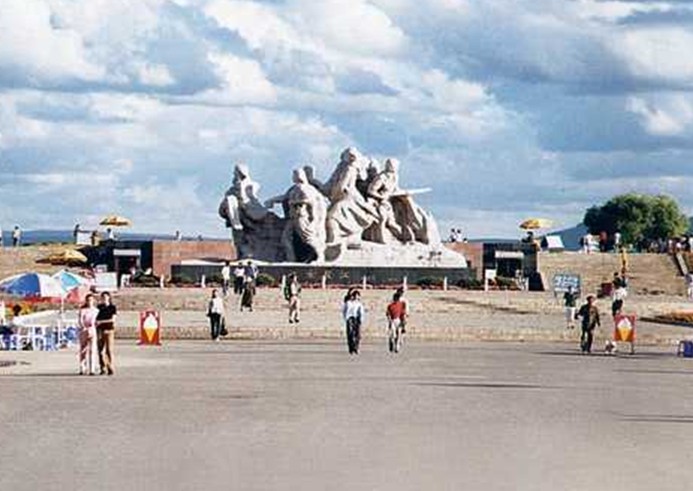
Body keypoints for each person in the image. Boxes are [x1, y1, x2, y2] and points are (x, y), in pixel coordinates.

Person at [95, 292, 117, 375]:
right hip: (100, 330)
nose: (104, 298)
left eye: (106, 297)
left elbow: (113, 319)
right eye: (103, 297)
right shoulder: (99, 307)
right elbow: (95, 317)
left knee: (109, 350)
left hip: (109, 330)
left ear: (109, 298)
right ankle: (103, 367)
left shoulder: (112, 307)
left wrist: (101, 321)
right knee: (100, 350)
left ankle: (110, 366)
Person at [77, 294, 99, 375]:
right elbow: (80, 320)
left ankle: (92, 369)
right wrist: (83, 327)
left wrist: (95, 325)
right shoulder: (83, 310)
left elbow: (97, 320)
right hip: (84, 330)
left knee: (92, 350)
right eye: (88, 300)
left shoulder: (96, 310)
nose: (90, 302)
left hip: (92, 330)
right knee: (83, 350)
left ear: (93, 301)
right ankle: (82, 368)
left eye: (91, 300)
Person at [342, 289, 365, 355]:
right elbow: (344, 310)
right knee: (350, 334)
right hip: (349, 318)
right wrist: (345, 318)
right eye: (356, 296)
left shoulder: (359, 304)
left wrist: (361, 319)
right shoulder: (348, 303)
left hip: (357, 319)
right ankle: (351, 348)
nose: (357, 297)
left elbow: (361, 312)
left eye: (358, 296)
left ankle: (356, 348)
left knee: (358, 334)